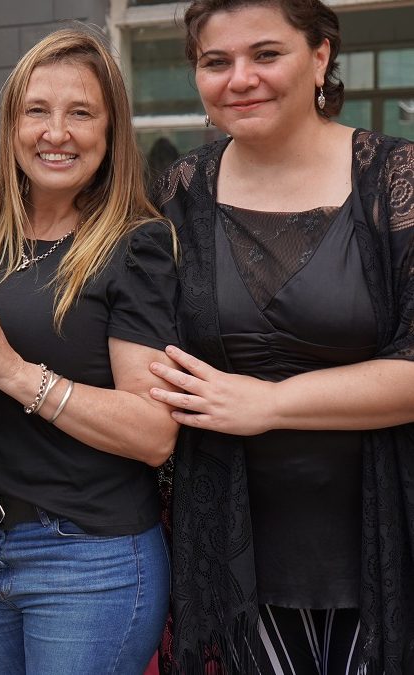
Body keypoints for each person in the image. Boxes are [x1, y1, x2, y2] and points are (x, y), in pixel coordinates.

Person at [147, 0, 414, 672]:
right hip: (231, 547)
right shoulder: (177, 191)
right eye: (216, 61)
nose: (240, 78)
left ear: (319, 56)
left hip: (382, 535)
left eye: (265, 54)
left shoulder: (395, 181)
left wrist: (267, 403)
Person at [0, 28, 181, 674]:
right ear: (10, 127)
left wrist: (10, 369)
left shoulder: (135, 247)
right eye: (36, 111)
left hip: (87, 557)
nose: (54, 132)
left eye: (80, 113)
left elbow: (153, 432)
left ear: (112, 131)